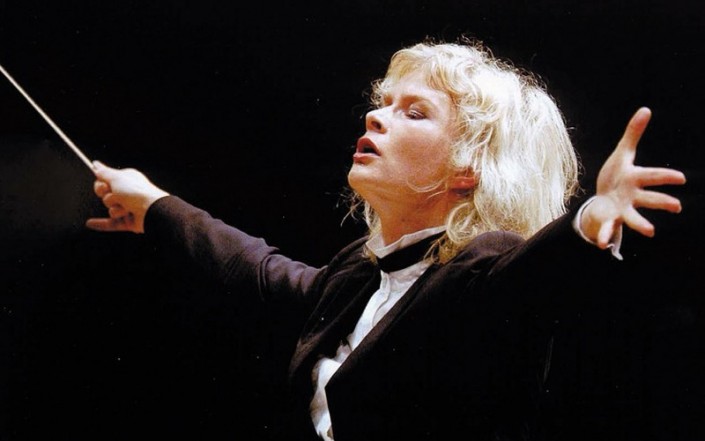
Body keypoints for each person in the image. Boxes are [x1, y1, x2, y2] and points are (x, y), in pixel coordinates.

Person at [85, 38, 685, 440]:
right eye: (383, 104)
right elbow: (255, 268)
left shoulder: (484, 270)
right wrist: (153, 205)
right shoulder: (354, 275)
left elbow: (535, 276)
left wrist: (591, 221)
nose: (376, 117)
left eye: (414, 113)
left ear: (469, 168)